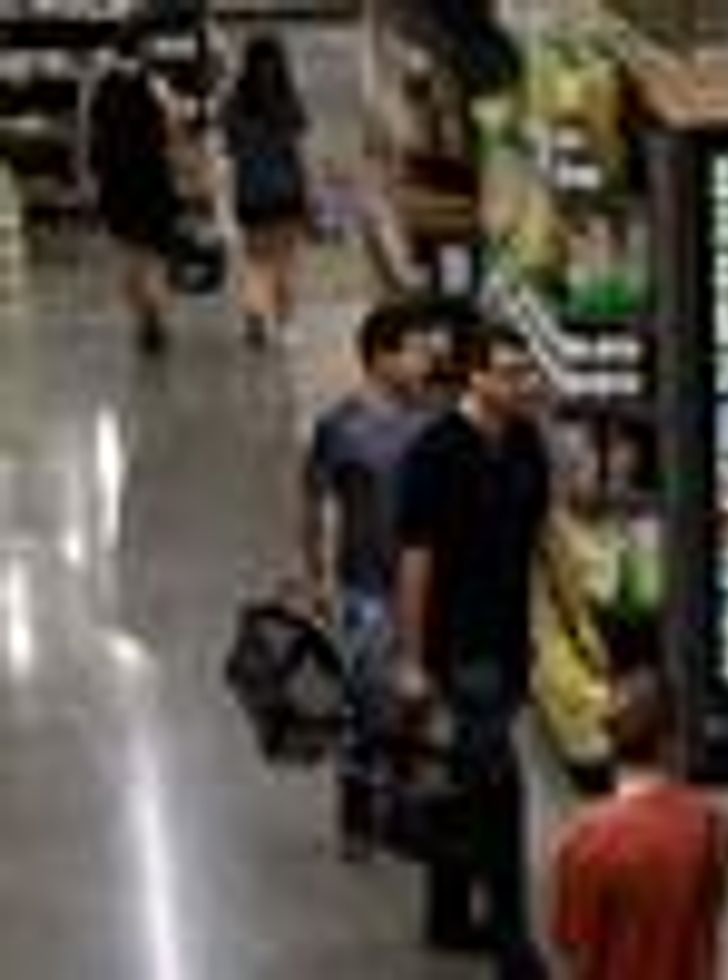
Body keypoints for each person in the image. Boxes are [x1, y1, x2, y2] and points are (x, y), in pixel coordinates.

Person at [395, 322, 551, 979]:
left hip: (509, 636)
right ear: (474, 378)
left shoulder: (525, 443)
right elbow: (416, 560)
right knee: (500, 785)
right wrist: (409, 659)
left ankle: (448, 914)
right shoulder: (436, 451)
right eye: (510, 372)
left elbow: (536, 539)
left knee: (464, 778)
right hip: (458, 644)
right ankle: (514, 944)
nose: (524, 384)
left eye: (527, 372)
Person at [302, 302, 432, 859]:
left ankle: (403, 807)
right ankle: (357, 819)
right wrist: (317, 581)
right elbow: (314, 505)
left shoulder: (433, 424)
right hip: (365, 589)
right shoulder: (341, 427)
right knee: (363, 706)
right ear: (381, 357)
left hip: (422, 591)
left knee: (415, 705)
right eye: (417, 351)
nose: (428, 360)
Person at [552, 666, 728, 980]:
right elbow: (710, 916)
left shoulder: (586, 841)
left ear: (610, 744)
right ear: (671, 741)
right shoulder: (713, 826)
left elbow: (574, 947)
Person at [88, 17, 183, 356]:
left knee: (129, 253)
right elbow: (173, 129)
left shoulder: (101, 85)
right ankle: (157, 311)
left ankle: (142, 316)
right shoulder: (156, 85)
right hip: (153, 179)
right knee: (157, 254)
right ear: (145, 50)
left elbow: (91, 134)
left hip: (116, 183)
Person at [224, 33, 308, 348]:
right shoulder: (288, 100)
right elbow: (298, 152)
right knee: (286, 262)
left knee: (256, 261)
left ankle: (254, 313)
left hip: (249, 192)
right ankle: (285, 324)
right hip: (286, 190)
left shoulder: (235, 102)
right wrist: (308, 194)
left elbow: (230, 149)